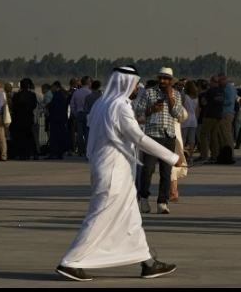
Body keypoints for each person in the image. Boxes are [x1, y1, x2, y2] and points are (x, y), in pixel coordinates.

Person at [56, 66, 180, 281]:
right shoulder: (120, 106)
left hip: (113, 169)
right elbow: (138, 138)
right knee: (100, 217)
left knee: (131, 218)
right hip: (113, 172)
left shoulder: (102, 104)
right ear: (126, 84)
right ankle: (70, 262)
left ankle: (148, 263)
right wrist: (173, 157)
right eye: (135, 84)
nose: (137, 88)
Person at [136, 68, 184, 215]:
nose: (163, 81)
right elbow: (139, 112)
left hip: (168, 136)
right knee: (148, 170)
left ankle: (162, 202)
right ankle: (144, 197)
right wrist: (151, 110)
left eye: (166, 79)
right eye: (161, 78)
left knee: (166, 172)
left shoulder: (176, 94)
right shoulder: (149, 92)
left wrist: (170, 98)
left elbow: (178, 114)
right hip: (152, 136)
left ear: (170, 81)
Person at [11, 78, 40, 160]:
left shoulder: (17, 95)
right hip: (29, 118)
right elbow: (34, 105)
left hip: (19, 118)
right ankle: (34, 153)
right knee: (30, 136)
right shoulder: (32, 95)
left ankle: (22, 154)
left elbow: (14, 107)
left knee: (21, 137)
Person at [197, 76, 223, 162]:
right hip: (218, 115)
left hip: (209, 115)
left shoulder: (210, 91)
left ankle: (204, 154)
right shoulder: (222, 91)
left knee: (203, 134)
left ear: (213, 82)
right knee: (214, 135)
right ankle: (214, 154)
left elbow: (203, 101)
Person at [46, 81, 71, 159]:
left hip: (56, 119)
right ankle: (59, 152)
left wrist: (48, 107)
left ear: (56, 87)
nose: (51, 89)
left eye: (52, 87)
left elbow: (53, 106)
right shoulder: (61, 95)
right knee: (60, 136)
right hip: (61, 119)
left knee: (55, 136)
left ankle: (55, 152)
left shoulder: (57, 95)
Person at [70, 76, 91, 156]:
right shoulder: (90, 92)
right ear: (88, 83)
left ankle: (80, 150)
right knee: (87, 133)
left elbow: (72, 105)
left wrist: (75, 113)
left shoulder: (76, 92)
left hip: (79, 114)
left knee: (79, 133)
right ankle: (87, 150)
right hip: (88, 114)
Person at [180, 80, 199, 162]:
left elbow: (181, 107)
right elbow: (197, 110)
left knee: (183, 138)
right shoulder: (196, 98)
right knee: (192, 139)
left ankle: (182, 155)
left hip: (186, 117)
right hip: (193, 117)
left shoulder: (185, 97)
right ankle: (191, 156)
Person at [219, 74, 237, 153]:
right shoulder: (225, 88)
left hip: (227, 113)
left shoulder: (230, 88)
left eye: (219, 81)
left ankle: (230, 153)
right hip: (224, 113)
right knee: (223, 135)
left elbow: (230, 101)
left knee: (227, 134)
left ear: (223, 79)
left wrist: (220, 101)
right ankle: (225, 153)